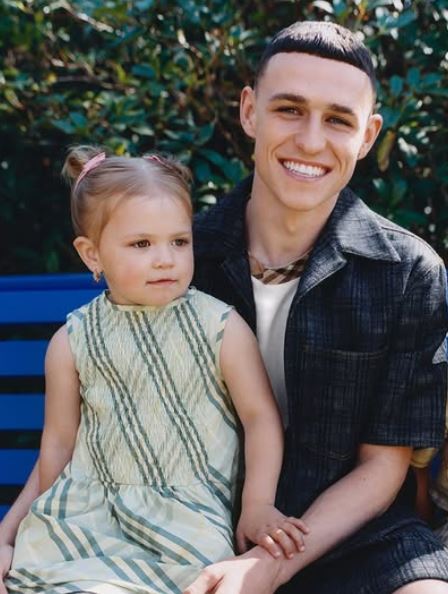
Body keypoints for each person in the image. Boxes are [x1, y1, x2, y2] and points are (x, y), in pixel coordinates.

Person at [1, 19, 448, 594]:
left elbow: (382, 466)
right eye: (289, 109)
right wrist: (9, 537)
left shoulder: (406, 272)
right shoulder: (180, 255)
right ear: (249, 112)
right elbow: (86, 433)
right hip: (187, 531)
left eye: (338, 119)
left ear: (367, 136)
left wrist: (269, 566)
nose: (312, 141)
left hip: (351, 535)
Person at [3, 147, 308, 594]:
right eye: (141, 244)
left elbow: (260, 417)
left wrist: (257, 504)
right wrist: (26, 531)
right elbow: (59, 446)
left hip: (185, 524)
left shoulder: (219, 328)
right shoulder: (72, 342)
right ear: (92, 254)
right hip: (85, 521)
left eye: (179, 241)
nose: (166, 258)